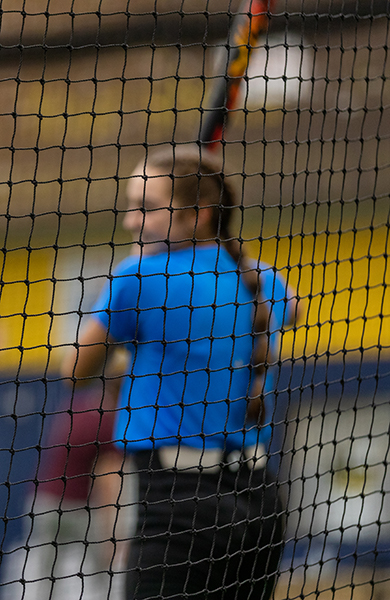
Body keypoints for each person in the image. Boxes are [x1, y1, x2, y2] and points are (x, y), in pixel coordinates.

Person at [62, 146, 285, 599]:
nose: (129, 221)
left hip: (177, 509)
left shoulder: (137, 278)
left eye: (145, 208)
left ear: (199, 213)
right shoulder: (261, 279)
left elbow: (77, 372)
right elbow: (290, 307)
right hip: (260, 502)